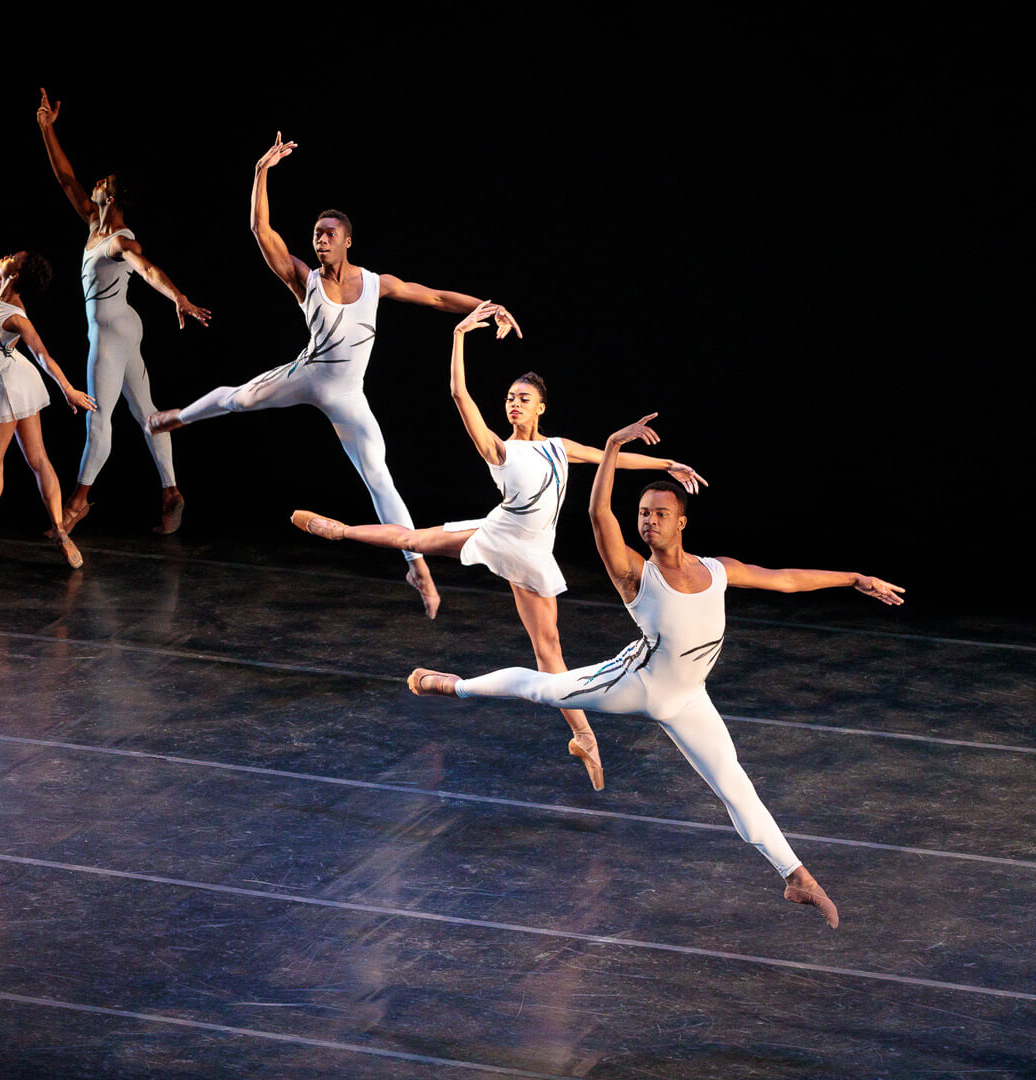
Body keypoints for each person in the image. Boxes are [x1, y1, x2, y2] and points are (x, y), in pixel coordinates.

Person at [407, 415, 906, 929]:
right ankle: (454, 685)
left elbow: (784, 580)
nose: (649, 521)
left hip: (690, 697)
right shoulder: (632, 573)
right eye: (643, 514)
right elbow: (599, 514)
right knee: (544, 689)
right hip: (635, 685)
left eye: (660, 514)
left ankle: (796, 876)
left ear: (681, 521)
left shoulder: (716, 570)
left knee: (735, 784)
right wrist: (610, 449)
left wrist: (854, 578)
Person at [293, 304, 708, 788]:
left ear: (541, 407)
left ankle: (584, 738)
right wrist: (459, 335)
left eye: (523, 398)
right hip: (503, 535)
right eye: (510, 397)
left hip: (533, 553)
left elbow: (607, 457)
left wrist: (670, 463)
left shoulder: (559, 447)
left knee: (549, 653)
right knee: (414, 538)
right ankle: (340, 530)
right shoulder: (500, 449)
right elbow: (457, 393)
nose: (513, 403)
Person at [147, 133, 522, 618]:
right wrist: (261, 172)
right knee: (239, 400)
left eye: (328, 233)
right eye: (315, 234)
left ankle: (421, 572)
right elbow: (262, 231)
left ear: (346, 240)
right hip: (304, 375)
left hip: (348, 396)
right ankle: (180, 417)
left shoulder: (374, 284)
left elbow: (434, 298)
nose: (319, 239)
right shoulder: (304, 280)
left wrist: (488, 309)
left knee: (379, 479)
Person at [37, 89, 210, 535]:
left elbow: (147, 268)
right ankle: (172, 492)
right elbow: (65, 177)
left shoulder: (119, 240)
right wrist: (47, 128)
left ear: (110, 198)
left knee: (100, 418)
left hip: (112, 334)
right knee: (147, 411)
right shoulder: (95, 224)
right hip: (121, 327)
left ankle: (77, 503)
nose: (93, 184)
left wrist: (179, 298)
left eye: (101, 184)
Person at [0, 161, 97, 572]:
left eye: (14, 256)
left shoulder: (16, 314)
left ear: (17, 270)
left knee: (1, 464)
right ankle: (56, 533)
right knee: (33, 462)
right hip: (9, 382)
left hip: (9, 389)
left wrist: (68, 389)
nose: (7, 253)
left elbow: (44, 354)